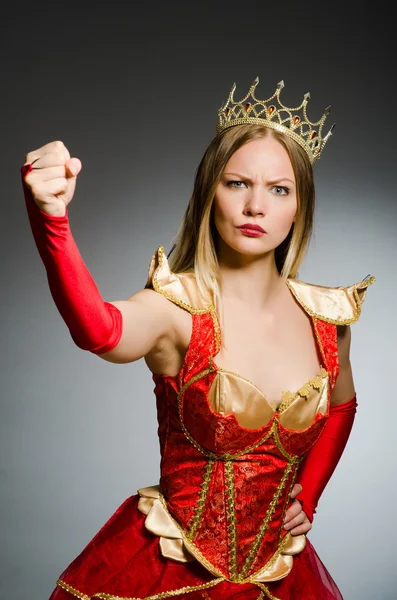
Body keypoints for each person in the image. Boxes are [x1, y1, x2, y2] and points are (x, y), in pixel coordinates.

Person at [21, 78, 375, 600]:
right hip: (165, 566)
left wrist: (311, 493)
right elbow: (98, 330)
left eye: (279, 189)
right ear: (209, 192)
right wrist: (51, 221)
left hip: (280, 574)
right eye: (237, 184)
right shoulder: (178, 307)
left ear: (300, 206)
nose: (256, 205)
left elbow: (342, 407)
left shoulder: (327, 320)